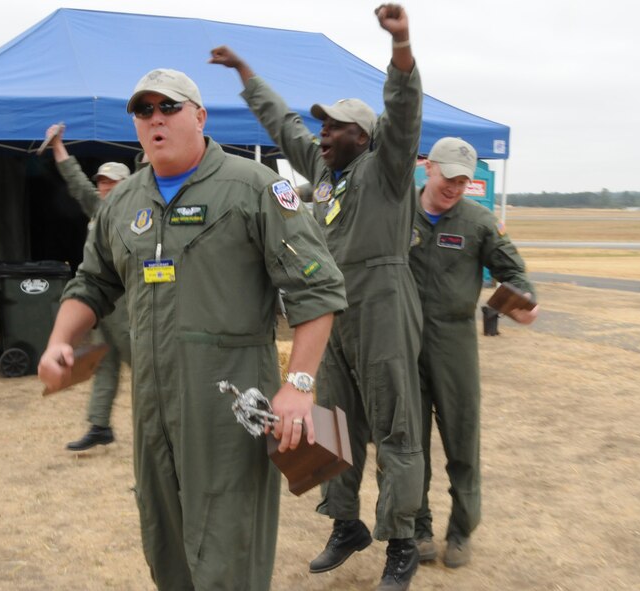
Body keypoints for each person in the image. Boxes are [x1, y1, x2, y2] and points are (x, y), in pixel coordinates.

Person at [37, 68, 347, 590]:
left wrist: (298, 385)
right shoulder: (122, 204)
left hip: (229, 403)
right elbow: (92, 282)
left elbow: (316, 290)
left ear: (200, 116)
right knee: (165, 543)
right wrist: (58, 341)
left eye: (169, 107)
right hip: (154, 406)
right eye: (144, 110)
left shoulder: (255, 188)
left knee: (229, 546)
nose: (156, 119)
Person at [211, 4, 424, 590]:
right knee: (334, 421)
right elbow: (285, 127)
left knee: (397, 428)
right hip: (333, 310)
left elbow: (404, 111)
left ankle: (402, 540)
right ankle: (345, 522)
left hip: (383, 301)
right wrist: (246, 76)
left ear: (365, 136)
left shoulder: (388, 168)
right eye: (323, 127)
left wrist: (401, 44)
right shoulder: (328, 175)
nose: (322, 136)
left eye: (334, 128)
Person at [408, 137, 539, 568]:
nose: (455, 187)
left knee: (462, 440)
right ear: (428, 168)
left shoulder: (479, 221)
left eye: (463, 181)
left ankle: (461, 531)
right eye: (449, 177)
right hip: (402, 340)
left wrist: (523, 302)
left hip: (454, 341)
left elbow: (514, 271)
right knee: (408, 446)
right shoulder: (394, 211)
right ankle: (417, 529)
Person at [45, 125, 133, 452]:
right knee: (104, 362)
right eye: (101, 182)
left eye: (111, 182)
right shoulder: (99, 210)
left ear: (127, 185)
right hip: (106, 306)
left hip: (128, 305)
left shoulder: (135, 214)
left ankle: (165, 434)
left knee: (147, 371)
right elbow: (76, 181)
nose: (104, 186)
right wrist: (57, 145)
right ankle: (99, 425)